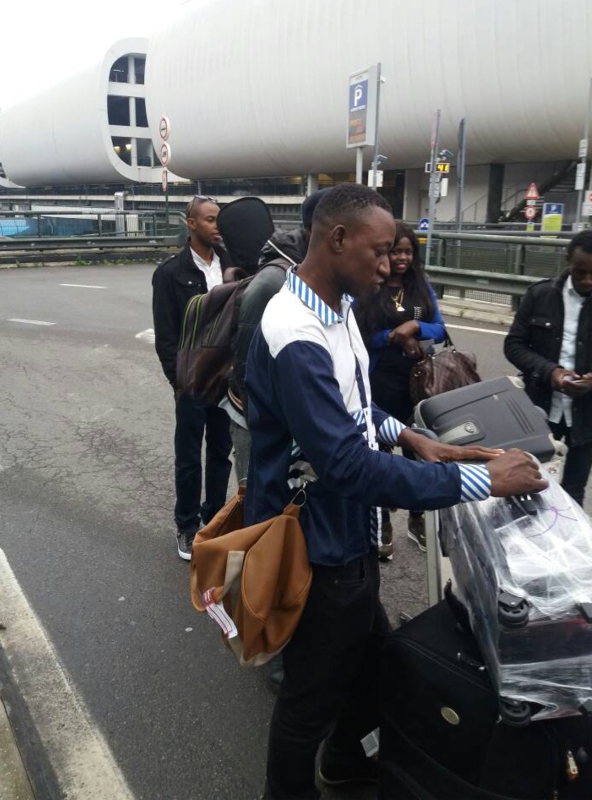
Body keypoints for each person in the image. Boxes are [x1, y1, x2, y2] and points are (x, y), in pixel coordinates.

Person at [244, 183, 546, 800]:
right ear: (337, 240)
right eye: (380, 252)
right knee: (308, 700)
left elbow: (355, 407)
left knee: (374, 663)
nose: (389, 266)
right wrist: (482, 478)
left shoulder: (336, 311)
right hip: (316, 548)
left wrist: (411, 435)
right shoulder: (296, 333)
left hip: (348, 536)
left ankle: (346, 760)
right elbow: (348, 465)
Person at [504, 228, 592, 507]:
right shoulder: (540, 295)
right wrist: (550, 372)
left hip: (589, 416)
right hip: (538, 410)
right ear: (568, 261)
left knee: (573, 494)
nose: (587, 280)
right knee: (527, 487)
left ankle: (566, 550)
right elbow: (514, 345)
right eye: (580, 271)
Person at [222, 188, 332, 481]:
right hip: (260, 424)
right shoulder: (272, 283)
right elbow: (248, 369)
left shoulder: (325, 279)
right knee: (261, 514)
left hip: (296, 422)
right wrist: (267, 433)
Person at [354, 221, 446, 557]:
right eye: (396, 251)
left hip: (418, 384)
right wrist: (394, 337)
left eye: (408, 251)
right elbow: (361, 333)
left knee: (419, 453)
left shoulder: (420, 288)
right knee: (381, 454)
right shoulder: (371, 286)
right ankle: (384, 522)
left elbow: (439, 329)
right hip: (380, 382)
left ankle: (418, 520)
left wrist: (415, 325)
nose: (402, 257)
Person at [152, 195, 233, 560]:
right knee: (188, 457)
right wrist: (178, 381)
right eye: (211, 219)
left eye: (219, 220)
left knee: (221, 452)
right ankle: (186, 526)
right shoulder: (170, 274)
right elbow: (166, 337)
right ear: (191, 223)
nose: (218, 226)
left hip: (226, 379)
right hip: (191, 381)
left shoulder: (233, 264)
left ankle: (214, 518)